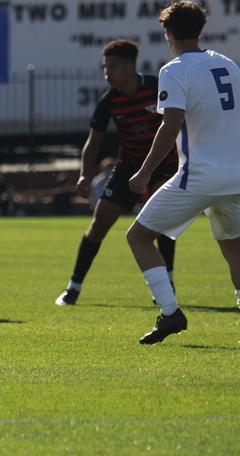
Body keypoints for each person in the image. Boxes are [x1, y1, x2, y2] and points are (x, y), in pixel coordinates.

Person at [126, 0, 240, 345]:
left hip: (199, 175)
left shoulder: (174, 69)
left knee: (138, 237)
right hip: (235, 176)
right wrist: (232, 149)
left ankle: (171, 313)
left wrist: (143, 173)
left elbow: (170, 126)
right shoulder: (226, 63)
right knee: (233, 247)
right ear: (201, 31)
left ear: (167, 33)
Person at [55, 40, 179, 306]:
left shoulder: (157, 88)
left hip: (162, 165)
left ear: (129, 67)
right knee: (99, 223)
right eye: (104, 67)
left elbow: (178, 123)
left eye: (112, 67)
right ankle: (73, 288)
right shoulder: (110, 101)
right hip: (127, 167)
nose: (106, 73)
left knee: (161, 220)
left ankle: (167, 283)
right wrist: (84, 175)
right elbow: (93, 142)